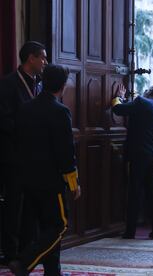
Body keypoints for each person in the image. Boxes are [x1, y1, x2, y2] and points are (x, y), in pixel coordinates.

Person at [8, 64, 80, 276]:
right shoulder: (60, 111)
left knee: (44, 228)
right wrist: (74, 184)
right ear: (63, 85)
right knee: (58, 226)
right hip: (51, 182)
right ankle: (24, 262)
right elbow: (66, 152)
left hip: (27, 179)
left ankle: (52, 272)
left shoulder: (25, 108)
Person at [0, 41, 48, 264]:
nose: (45, 63)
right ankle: (10, 252)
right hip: (14, 157)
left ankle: (28, 250)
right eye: (43, 58)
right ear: (31, 58)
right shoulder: (9, 84)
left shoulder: (39, 85)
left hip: (35, 159)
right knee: (13, 206)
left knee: (31, 205)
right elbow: (4, 121)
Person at [112, 85, 153, 240]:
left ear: (147, 93)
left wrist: (119, 97)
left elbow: (118, 109)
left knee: (134, 192)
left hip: (139, 155)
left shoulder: (142, 102)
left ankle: (130, 231)